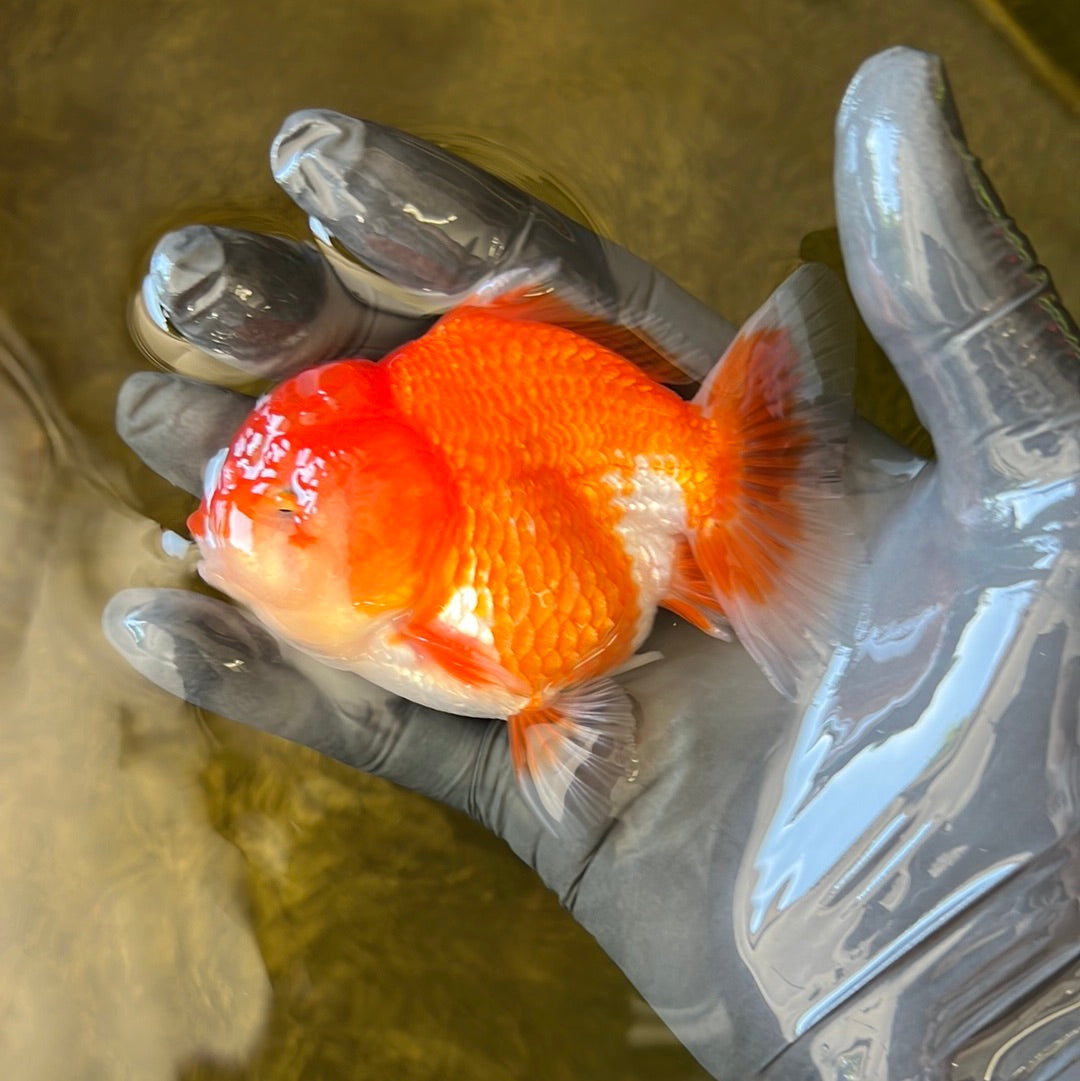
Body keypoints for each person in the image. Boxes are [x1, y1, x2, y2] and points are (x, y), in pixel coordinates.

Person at [104, 47, 1080, 1080]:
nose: (246, 534)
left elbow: (543, 709)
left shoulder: (425, 603)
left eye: (286, 514)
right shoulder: (386, 581)